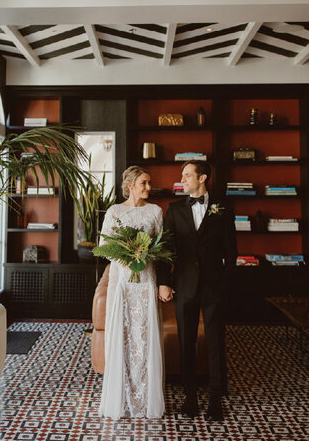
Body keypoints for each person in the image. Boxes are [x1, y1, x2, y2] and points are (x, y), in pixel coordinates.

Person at [157, 161, 237, 422]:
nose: (182, 179)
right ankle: (190, 397)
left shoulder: (223, 208)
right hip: (185, 286)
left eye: (187, 175)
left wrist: (225, 283)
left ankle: (215, 399)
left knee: (215, 342)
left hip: (214, 287)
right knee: (186, 342)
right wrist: (164, 281)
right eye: (182, 175)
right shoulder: (175, 209)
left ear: (202, 178)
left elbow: (231, 250)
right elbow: (166, 249)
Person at [99, 166, 165, 419]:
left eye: (149, 183)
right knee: (123, 335)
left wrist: (145, 255)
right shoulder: (115, 211)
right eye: (144, 183)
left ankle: (146, 397)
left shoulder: (156, 211)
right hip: (123, 282)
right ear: (130, 185)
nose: (149, 187)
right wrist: (127, 259)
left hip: (146, 280)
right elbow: (105, 246)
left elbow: (161, 245)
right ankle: (121, 397)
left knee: (145, 337)